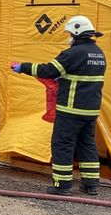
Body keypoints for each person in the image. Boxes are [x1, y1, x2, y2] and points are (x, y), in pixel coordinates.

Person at [11, 15, 106, 196]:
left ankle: (62, 185)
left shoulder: (73, 53)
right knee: (87, 144)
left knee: (62, 144)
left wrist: (23, 67)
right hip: (91, 110)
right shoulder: (99, 53)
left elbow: (48, 70)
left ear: (77, 32)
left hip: (70, 109)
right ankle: (91, 184)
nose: (69, 36)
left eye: (70, 33)